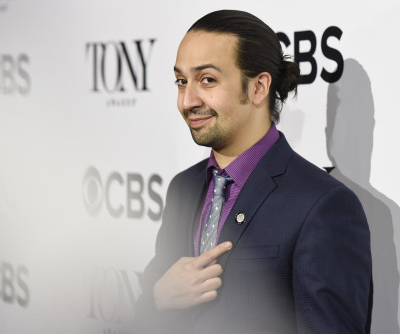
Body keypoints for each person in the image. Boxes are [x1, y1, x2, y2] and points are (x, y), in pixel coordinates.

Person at [136, 9, 371, 334]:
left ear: (259, 87)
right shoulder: (183, 188)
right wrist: (159, 298)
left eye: (207, 80)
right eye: (181, 81)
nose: (187, 100)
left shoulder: (322, 205)